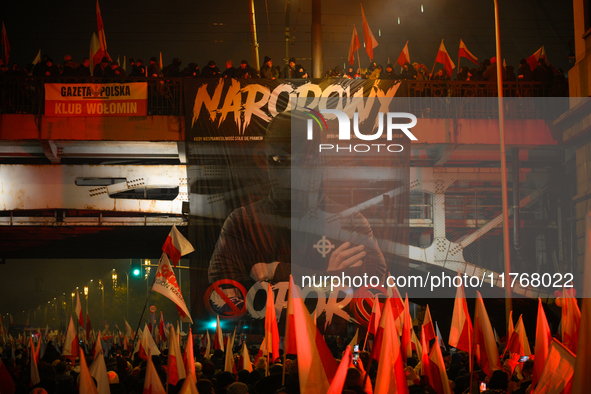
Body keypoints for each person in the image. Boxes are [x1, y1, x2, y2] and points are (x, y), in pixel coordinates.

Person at [208, 111, 387, 290]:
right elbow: (224, 291)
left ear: (321, 162)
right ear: (266, 162)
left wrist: (276, 271)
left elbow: (373, 278)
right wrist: (328, 278)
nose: (292, 173)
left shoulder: (350, 221)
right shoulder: (242, 222)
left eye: (304, 161)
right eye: (281, 161)